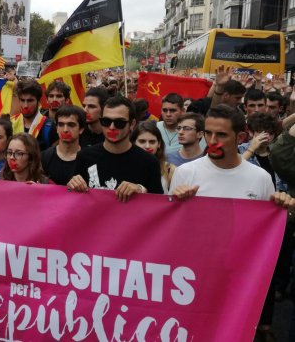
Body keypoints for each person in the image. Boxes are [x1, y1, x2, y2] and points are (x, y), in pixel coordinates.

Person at [170, 105, 293, 342]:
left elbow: (266, 234)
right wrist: (179, 203)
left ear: (241, 137)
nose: (212, 140)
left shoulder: (260, 178)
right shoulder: (186, 173)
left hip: (238, 280)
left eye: (222, 135)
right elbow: (174, 232)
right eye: (208, 133)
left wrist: (281, 207)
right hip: (195, 277)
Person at [67, 96, 164, 200]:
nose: (112, 127)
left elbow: (158, 204)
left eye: (119, 123)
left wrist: (140, 189)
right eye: (106, 121)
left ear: (132, 124)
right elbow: (73, 199)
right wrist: (72, 185)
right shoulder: (84, 156)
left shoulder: (149, 162)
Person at [41, 105, 85, 186]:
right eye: (61, 125)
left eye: (71, 125)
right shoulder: (44, 157)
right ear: (56, 128)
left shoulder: (89, 158)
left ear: (81, 129)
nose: (65, 130)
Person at [10, 79, 57, 151]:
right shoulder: (11, 123)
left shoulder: (50, 127)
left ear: (39, 101)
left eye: (30, 100)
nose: (25, 105)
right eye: (22, 100)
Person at [130, 121, 175, 194]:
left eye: (152, 142)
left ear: (159, 144)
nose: (147, 146)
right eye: (142, 141)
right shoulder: (124, 165)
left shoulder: (169, 169)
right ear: (133, 142)